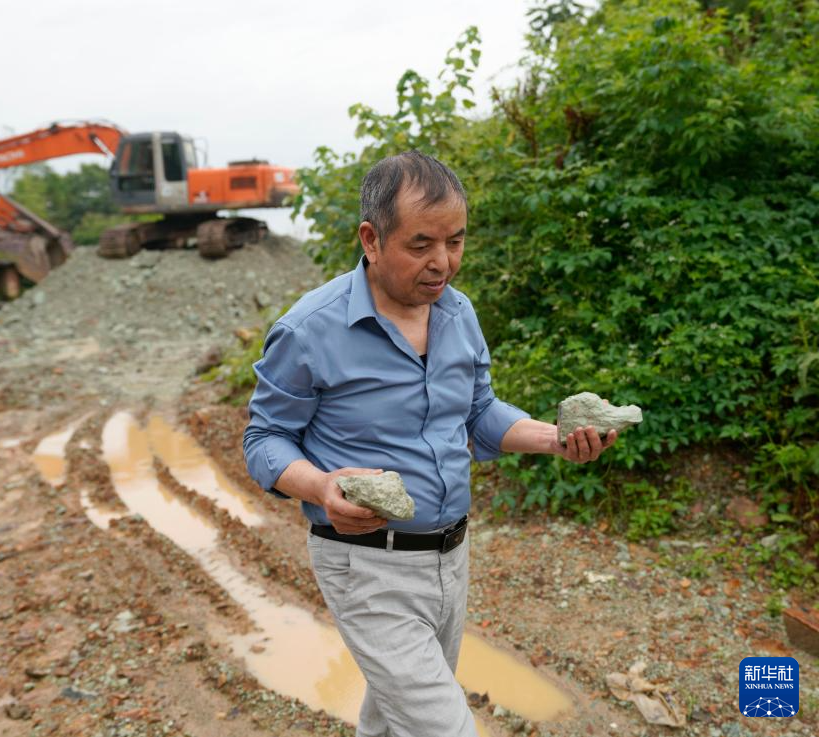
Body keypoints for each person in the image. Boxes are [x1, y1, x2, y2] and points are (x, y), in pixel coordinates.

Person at [242, 151, 617, 737]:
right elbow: (264, 438)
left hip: (450, 557)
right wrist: (321, 486)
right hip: (365, 564)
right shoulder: (309, 330)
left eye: (455, 241)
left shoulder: (458, 313)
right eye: (421, 245)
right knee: (443, 727)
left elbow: (479, 411)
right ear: (371, 239)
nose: (443, 262)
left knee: (396, 719)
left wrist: (554, 438)